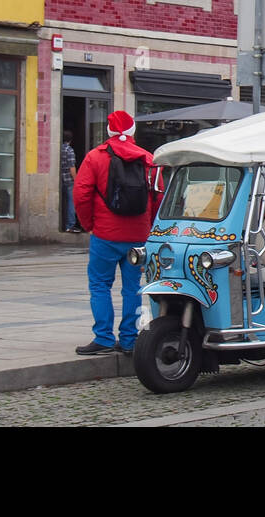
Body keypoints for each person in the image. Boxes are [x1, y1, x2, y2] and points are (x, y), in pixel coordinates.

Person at [73, 110, 157, 357]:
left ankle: (103, 337)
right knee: (132, 288)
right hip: (138, 236)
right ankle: (129, 339)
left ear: (108, 132)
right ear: (132, 131)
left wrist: (90, 223)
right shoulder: (148, 158)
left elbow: (81, 193)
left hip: (105, 235)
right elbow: (159, 194)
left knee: (100, 284)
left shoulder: (95, 157)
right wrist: (149, 227)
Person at [61, 129, 82, 233]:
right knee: (71, 202)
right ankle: (70, 225)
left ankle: (63, 223)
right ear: (71, 139)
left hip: (60, 179)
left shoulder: (59, 149)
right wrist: (76, 179)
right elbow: (71, 167)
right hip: (69, 180)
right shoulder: (69, 150)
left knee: (63, 203)